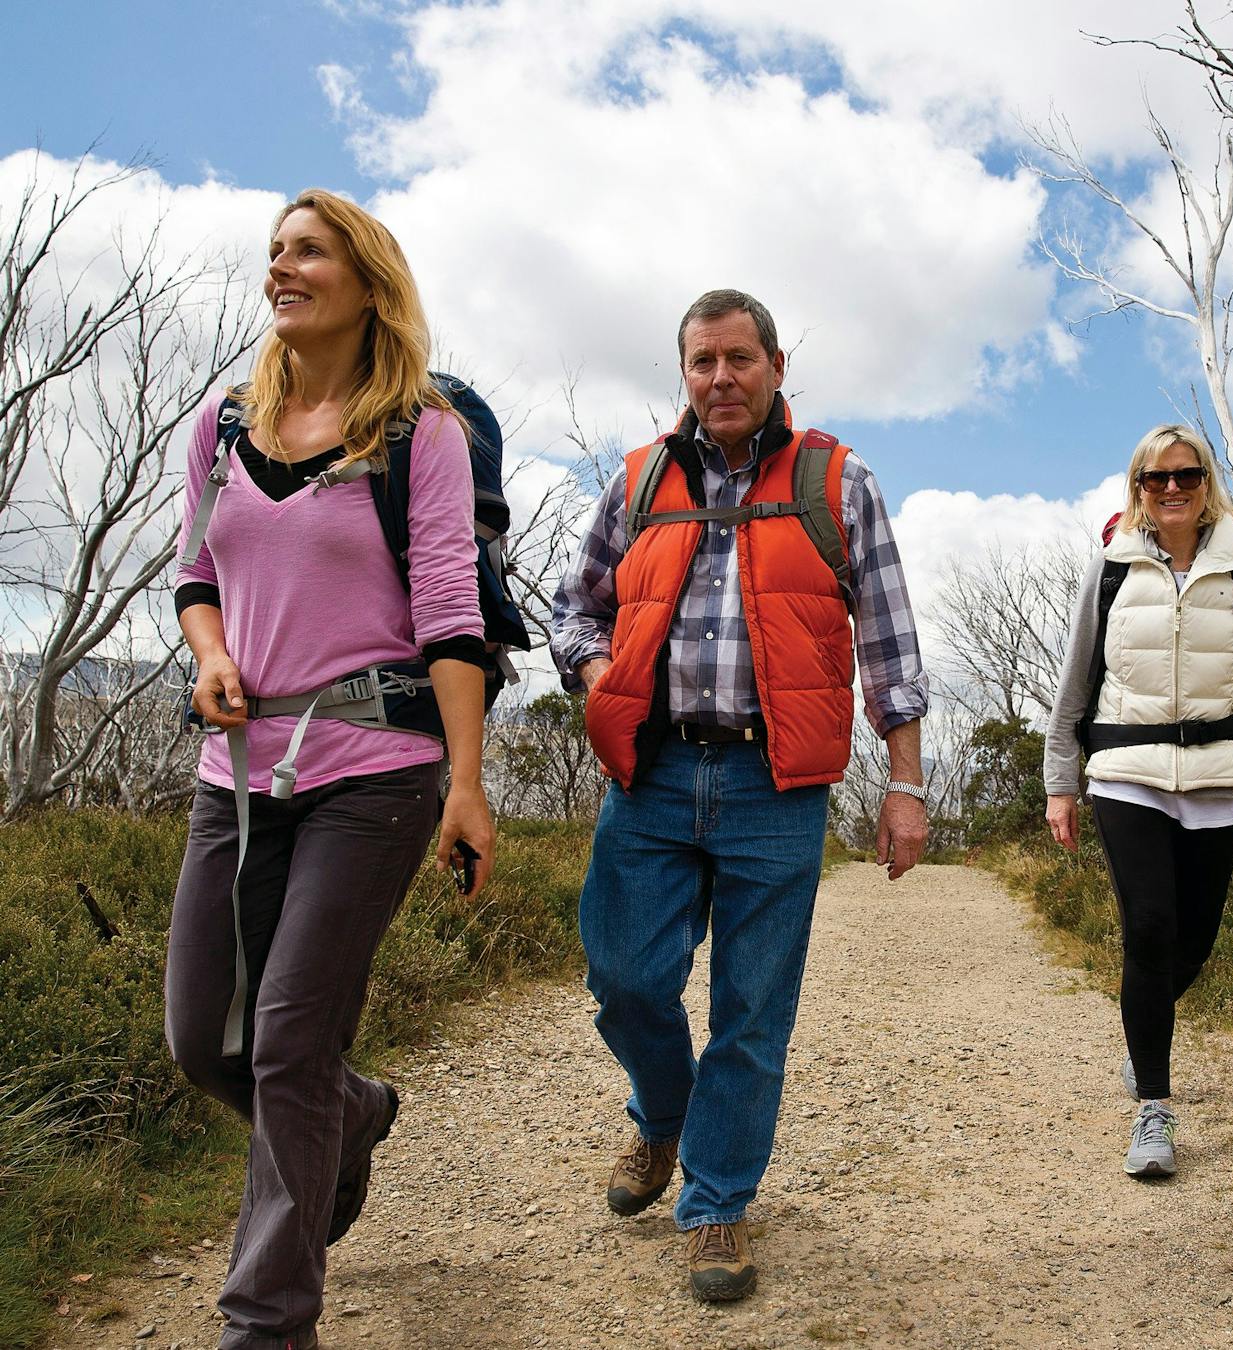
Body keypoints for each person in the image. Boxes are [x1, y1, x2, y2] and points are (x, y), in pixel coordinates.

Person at [551, 288, 929, 1302]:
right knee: (624, 978)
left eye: (739, 359)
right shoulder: (640, 479)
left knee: (752, 1011)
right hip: (653, 772)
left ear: (775, 365)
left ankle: (717, 1201)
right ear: (684, 373)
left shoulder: (837, 482)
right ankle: (665, 1115)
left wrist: (904, 783)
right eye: (701, 362)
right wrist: (602, 677)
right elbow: (575, 609)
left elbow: (889, 642)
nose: (720, 378)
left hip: (777, 784)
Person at [167, 188, 495, 1350]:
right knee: (205, 1040)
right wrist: (211, 656)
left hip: (376, 768)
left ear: (366, 279)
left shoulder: (421, 434)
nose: (281, 268)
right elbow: (195, 575)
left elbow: (451, 613)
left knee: (291, 1040)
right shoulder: (222, 424)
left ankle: (267, 1324)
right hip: (237, 771)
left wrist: (466, 783)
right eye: (274, 252)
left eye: (307, 250)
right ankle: (350, 1116)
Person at [1042, 423, 1233, 1179]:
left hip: (1222, 775)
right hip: (1127, 770)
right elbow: (1076, 678)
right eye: (1157, 479)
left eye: (1187, 475)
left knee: (1195, 942)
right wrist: (1061, 782)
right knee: (1150, 930)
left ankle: (1142, 1029)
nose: (1174, 489)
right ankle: (1154, 1107)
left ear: (1206, 482)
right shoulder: (1113, 567)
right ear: (1139, 488)